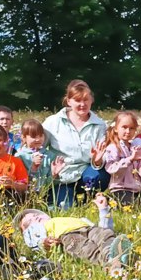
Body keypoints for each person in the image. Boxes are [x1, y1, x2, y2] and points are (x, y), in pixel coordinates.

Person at [15, 193, 134, 272]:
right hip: (67, 237)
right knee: (87, 249)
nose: (35, 218)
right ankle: (110, 265)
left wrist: (103, 210)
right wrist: (44, 243)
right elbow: (34, 242)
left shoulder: (65, 219)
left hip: (89, 228)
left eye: (36, 215)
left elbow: (105, 228)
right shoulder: (37, 230)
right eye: (28, 222)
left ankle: (112, 255)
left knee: (105, 235)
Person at [42, 80, 108, 208]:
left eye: (86, 100)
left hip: (87, 172)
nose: (82, 104)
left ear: (91, 100)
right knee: (63, 207)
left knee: (100, 175)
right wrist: (48, 171)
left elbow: (101, 156)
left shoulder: (100, 125)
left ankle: (88, 200)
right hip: (62, 175)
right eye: (78, 100)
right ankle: (67, 199)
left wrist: (98, 161)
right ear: (69, 101)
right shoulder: (53, 122)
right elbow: (39, 147)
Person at [103, 111, 141, 206]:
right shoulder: (113, 148)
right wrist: (130, 159)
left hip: (136, 189)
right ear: (115, 129)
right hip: (120, 189)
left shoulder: (134, 147)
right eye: (124, 127)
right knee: (134, 210)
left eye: (131, 128)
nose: (128, 131)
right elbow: (112, 169)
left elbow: (138, 171)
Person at [15, 119, 66, 195]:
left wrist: (54, 175)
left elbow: (50, 184)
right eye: (33, 136)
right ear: (24, 137)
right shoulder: (20, 156)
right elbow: (21, 181)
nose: (38, 139)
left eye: (41, 135)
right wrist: (33, 168)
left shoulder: (49, 155)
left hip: (46, 194)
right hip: (25, 195)